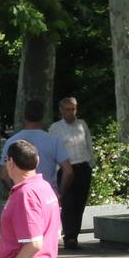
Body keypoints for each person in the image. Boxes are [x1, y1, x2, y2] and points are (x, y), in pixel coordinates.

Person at [0, 139, 62, 258]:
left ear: (10, 163)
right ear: (37, 161)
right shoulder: (45, 187)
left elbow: (34, 243)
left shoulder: (25, 194)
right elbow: (56, 234)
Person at [0, 99, 71, 196]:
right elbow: (68, 171)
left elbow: (4, 175)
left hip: (23, 195)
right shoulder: (54, 141)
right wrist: (60, 193)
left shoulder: (12, 141)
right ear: (43, 116)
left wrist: (15, 192)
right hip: (48, 194)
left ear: (24, 116)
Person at [49, 96, 94, 249]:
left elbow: (89, 145)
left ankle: (75, 235)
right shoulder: (55, 128)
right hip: (65, 169)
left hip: (83, 167)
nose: (70, 112)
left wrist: (90, 165)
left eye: (73, 109)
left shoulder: (82, 124)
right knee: (68, 203)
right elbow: (52, 150)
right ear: (61, 111)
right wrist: (55, 172)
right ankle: (69, 237)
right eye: (67, 109)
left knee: (80, 203)